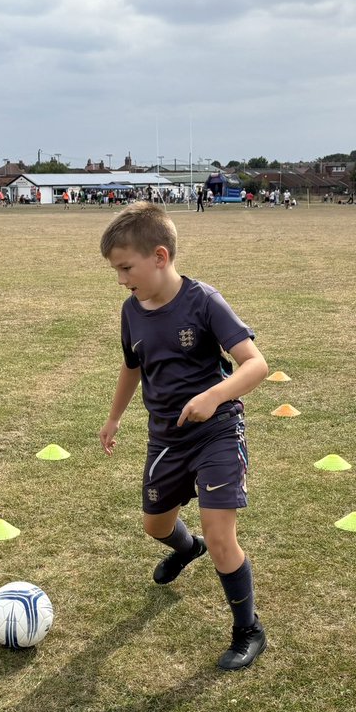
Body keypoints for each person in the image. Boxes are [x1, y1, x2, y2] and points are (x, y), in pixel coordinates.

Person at [98, 203, 269, 670]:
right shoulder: (130, 311)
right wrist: (114, 418)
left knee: (221, 537)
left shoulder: (204, 301)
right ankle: (185, 547)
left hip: (216, 431)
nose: (120, 279)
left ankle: (248, 629)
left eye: (125, 268)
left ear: (159, 256)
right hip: (165, 439)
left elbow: (256, 364)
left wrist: (214, 396)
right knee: (155, 526)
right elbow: (132, 367)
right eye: (116, 270)